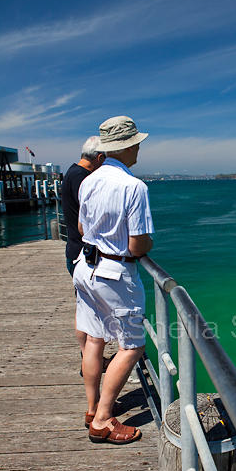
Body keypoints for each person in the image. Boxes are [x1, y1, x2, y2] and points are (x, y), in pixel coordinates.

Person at [73, 115, 154, 444]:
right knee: (132, 346)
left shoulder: (88, 180)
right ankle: (104, 420)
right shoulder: (134, 187)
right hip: (114, 274)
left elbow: (80, 229)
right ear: (129, 146)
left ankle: (92, 408)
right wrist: (147, 245)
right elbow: (137, 245)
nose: (138, 148)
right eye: (137, 143)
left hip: (85, 267)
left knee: (94, 339)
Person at [61, 137, 105, 364]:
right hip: (83, 253)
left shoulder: (71, 172)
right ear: (98, 158)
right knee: (92, 316)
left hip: (74, 249)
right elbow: (88, 218)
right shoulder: (82, 178)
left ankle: (86, 356)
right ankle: (89, 359)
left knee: (84, 311)